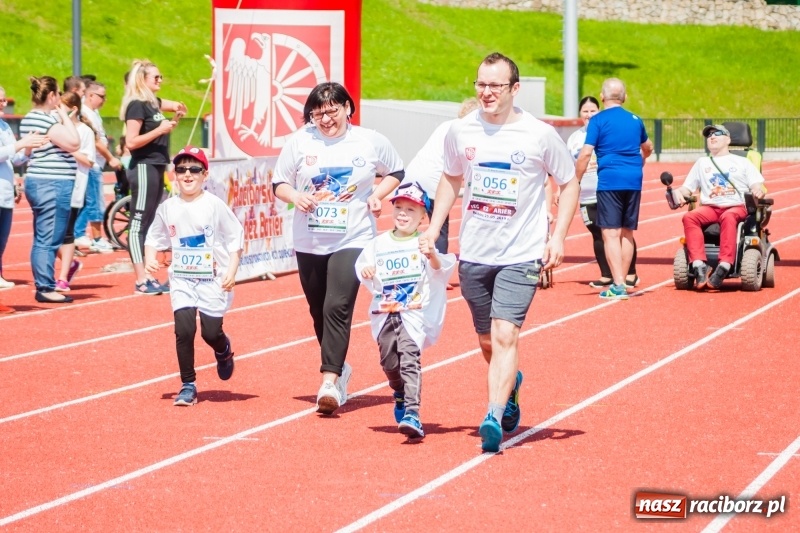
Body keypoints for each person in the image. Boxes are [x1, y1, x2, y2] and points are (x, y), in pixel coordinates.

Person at [422, 53, 579, 452]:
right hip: (475, 251)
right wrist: (434, 227)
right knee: (487, 340)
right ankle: (511, 388)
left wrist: (558, 236)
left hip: (522, 253)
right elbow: (451, 177)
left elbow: (568, 181)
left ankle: (492, 414)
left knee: (505, 332)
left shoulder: (539, 134)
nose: (486, 92)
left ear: (514, 88)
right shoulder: (460, 132)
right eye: (480, 84)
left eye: (494, 85)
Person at [273, 81, 404, 415]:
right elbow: (279, 183)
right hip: (310, 239)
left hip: (354, 237)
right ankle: (340, 368)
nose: (326, 119)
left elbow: (397, 171)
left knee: (337, 305)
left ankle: (329, 380)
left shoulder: (370, 140)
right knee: (319, 311)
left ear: (347, 107)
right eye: (318, 114)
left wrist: (377, 195)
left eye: (332, 111)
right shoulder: (300, 141)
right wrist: (296, 196)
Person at [144, 146, 244, 406]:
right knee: (184, 330)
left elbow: (236, 239)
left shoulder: (214, 205)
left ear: (205, 175)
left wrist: (231, 271)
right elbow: (154, 238)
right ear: (174, 174)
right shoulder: (168, 208)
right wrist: (149, 260)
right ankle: (188, 385)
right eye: (181, 169)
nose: (187, 174)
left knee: (210, 333)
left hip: (213, 279)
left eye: (194, 169)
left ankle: (222, 350)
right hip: (182, 279)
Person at [356, 182, 457, 438]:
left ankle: (413, 412)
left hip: (413, 314)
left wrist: (432, 253)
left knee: (409, 359)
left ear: (423, 216)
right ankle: (399, 392)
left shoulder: (423, 244)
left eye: (410, 210)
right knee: (389, 362)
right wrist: (367, 271)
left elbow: (439, 270)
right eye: (399, 207)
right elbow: (364, 268)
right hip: (384, 313)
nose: (402, 213)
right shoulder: (378, 243)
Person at [575, 78, 653, 300]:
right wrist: (642, 159)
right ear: (625, 97)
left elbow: (586, 153)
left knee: (610, 233)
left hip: (610, 180)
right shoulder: (635, 120)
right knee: (628, 231)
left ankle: (618, 284)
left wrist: (576, 179)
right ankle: (625, 280)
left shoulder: (597, 121)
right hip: (634, 180)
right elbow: (647, 147)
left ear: (602, 97)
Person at [120, 59, 187, 295]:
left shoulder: (153, 103)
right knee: (138, 223)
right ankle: (140, 279)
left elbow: (174, 105)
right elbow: (130, 142)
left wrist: (179, 109)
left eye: (161, 77)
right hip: (144, 166)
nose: (160, 80)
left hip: (157, 165)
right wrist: (160, 129)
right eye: (155, 77)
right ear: (143, 80)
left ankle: (148, 274)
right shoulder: (137, 105)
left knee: (149, 222)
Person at [670, 124, 766, 289]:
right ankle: (699, 264)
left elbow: (757, 185)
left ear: (728, 140)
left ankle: (725, 265)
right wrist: (679, 192)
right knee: (689, 217)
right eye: (709, 135)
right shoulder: (702, 163)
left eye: (717, 134)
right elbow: (687, 188)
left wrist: (757, 190)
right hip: (711, 207)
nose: (712, 137)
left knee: (727, 217)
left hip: (736, 206)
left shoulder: (743, 162)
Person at [567, 95, 639, 289]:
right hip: (586, 195)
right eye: (585, 111)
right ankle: (607, 274)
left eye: (593, 110)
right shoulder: (574, 138)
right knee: (598, 233)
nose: (589, 114)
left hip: (607, 189)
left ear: (599, 111)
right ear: (580, 114)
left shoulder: (604, 129)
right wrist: (566, 188)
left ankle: (629, 273)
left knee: (619, 232)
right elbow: (569, 165)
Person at [20, 76, 81, 304]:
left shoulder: (30, 117)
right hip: (52, 183)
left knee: (42, 236)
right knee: (49, 238)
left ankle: (44, 283)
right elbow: (74, 143)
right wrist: (64, 115)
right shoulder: (46, 120)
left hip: (40, 181)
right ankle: (45, 286)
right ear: (53, 96)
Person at [403, 97, 480, 254]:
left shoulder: (448, 125)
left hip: (412, 174)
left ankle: (403, 258)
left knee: (407, 222)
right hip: (433, 181)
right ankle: (439, 265)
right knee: (439, 226)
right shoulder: (466, 131)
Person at [0, 85, 48, 312]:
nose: (3, 104)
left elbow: (14, 159)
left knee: (1, 244)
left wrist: (27, 149)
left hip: (5, 193)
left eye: (3, 100)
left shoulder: (5, 126)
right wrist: (19, 145)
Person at [55, 92, 96, 292]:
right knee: (46, 234)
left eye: (60, 107)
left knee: (66, 233)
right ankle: (70, 264)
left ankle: (62, 277)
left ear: (73, 109)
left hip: (74, 187)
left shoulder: (85, 131)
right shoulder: (55, 128)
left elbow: (89, 160)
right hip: (53, 185)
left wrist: (69, 148)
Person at [74, 81, 121, 253]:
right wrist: (110, 158)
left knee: (88, 202)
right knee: (94, 202)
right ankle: (96, 238)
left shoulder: (94, 113)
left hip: (94, 162)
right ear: (90, 95)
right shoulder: (85, 113)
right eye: (101, 96)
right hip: (91, 162)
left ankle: (79, 234)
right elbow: (94, 140)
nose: (105, 100)